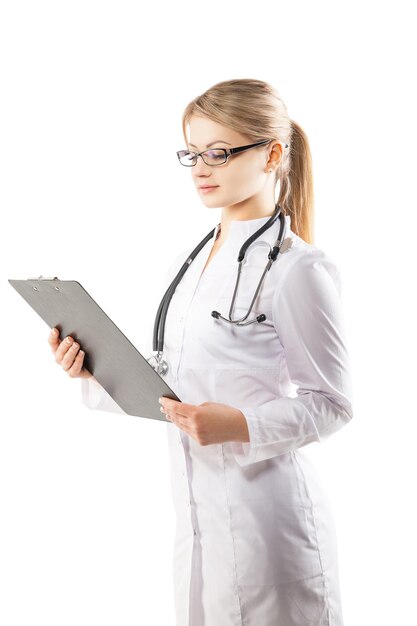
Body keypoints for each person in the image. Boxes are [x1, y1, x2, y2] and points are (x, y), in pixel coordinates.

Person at [48, 78, 354, 626]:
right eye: (192, 153)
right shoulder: (191, 263)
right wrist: (91, 373)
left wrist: (239, 424)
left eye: (218, 152)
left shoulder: (299, 269)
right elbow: (171, 389)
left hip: (270, 527)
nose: (200, 169)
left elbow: (332, 404)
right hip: (196, 520)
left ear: (272, 154)